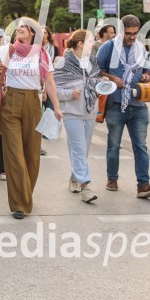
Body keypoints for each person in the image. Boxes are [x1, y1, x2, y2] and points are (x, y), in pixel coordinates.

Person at [0, 19, 61, 218]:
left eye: (23, 28)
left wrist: (57, 107)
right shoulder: (9, 49)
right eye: (18, 28)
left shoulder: (41, 53)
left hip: (33, 101)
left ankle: (25, 193)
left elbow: (49, 81)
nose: (19, 30)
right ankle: (19, 204)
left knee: (32, 154)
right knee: (14, 152)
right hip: (11, 100)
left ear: (32, 33)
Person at [97, 15, 150, 198]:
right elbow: (96, 68)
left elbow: (149, 68)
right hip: (116, 104)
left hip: (138, 104)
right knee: (114, 145)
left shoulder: (141, 48)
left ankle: (143, 185)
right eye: (128, 33)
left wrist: (147, 75)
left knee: (140, 146)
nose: (132, 37)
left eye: (135, 33)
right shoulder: (109, 47)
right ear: (122, 30)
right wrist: (112, 78)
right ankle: (112, 179)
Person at [54, 29, 102, 203]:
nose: (93, 44)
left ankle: (74, 177)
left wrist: (101, 84)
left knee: (83, 149)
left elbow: (95, 82)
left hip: (90, 111)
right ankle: (85, 187)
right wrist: (68, 94)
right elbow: (54, 89)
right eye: (90, 42)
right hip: (72, 113)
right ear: (80, 43)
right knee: (80, 148)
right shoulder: (63, 63)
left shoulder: (93, 62)